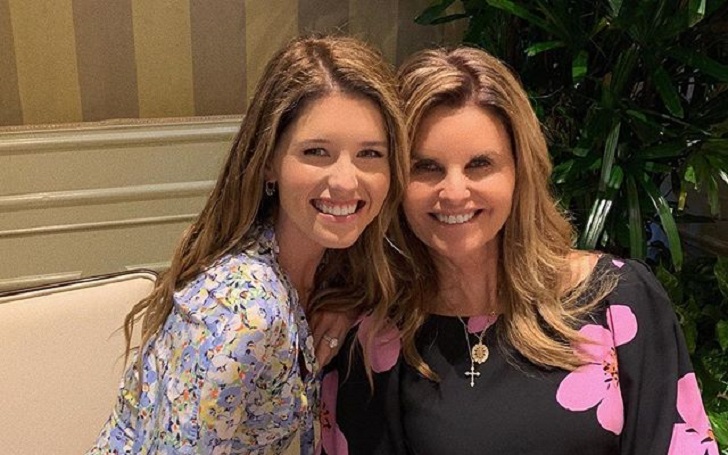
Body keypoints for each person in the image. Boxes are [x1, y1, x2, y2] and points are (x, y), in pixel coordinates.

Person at [320, 47, 720, 455]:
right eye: (426, 168)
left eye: (480, 165)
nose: (454, 192)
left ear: (519, 171)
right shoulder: (377, 337)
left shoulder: (619, 301)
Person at [87, 34, 407, 455]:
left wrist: (347, 301)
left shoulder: (323, 261)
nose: (347, 181)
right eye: (316, 152)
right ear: (269, 161)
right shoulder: (245, 315)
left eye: (370, 154)